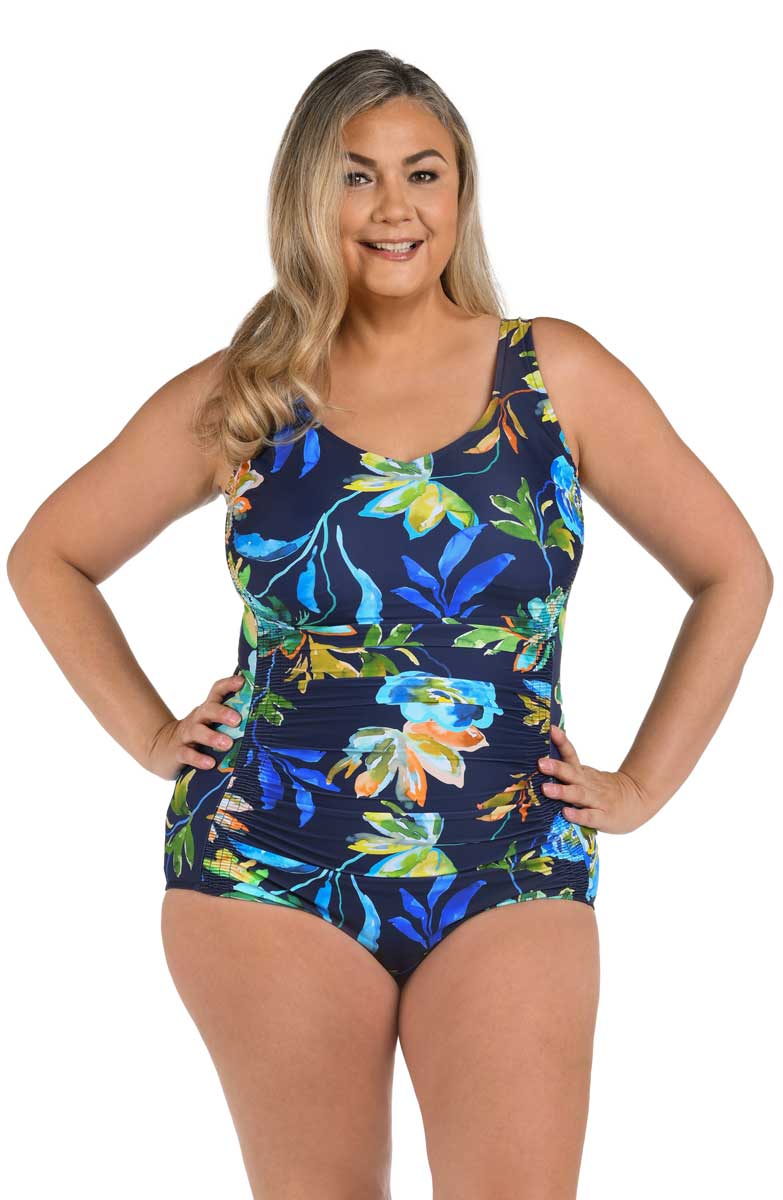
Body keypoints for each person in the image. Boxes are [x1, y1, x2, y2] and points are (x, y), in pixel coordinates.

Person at [7, 47, 773, 1200]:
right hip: (269, 864)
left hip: (510, 859)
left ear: (461, 191)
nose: (393, 207)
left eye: (423, 172)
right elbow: (49, 556)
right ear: (307, 197)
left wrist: (644, 786)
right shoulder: (251, 392)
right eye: (355, 175)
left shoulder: (552, 376)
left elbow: (734, 571)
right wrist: (154, 735)